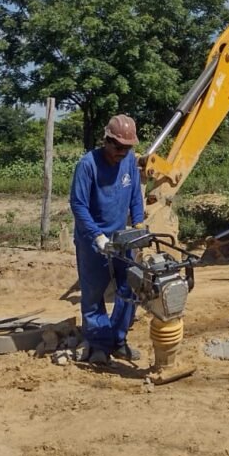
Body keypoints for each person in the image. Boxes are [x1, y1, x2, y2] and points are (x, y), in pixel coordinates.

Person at [69, 114, 144, 365]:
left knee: (131, 286)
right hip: (93, 238)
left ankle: (118, 341)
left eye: (127, 147)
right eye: (118, 147)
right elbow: (78, 205)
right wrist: (96, 235)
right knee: (93, 294)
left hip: (121, 237)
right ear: (107, 141)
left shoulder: (129, 161)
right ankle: (99, 345)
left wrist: (139, 224)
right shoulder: (87, 164)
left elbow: (135, 193)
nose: (122, 152)